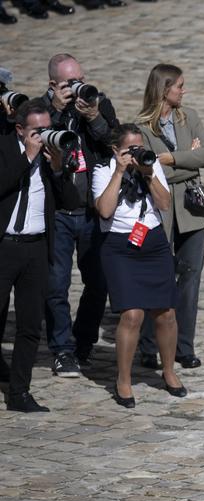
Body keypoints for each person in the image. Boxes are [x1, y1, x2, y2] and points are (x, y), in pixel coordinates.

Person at [93, 123, 184, 408]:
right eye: (130, 149)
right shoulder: (103, 169)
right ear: (115, 150)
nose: (136, 153)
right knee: (132, 314)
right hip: (119, 247)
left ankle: (168, 371)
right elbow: (105, 210)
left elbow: (165, 203)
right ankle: (123, 379)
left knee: (166, 312)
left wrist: (148, 175)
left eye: (139, 147)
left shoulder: (150, 164)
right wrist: (120, 172)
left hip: (153, 242)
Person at [136, 63, 204, 371]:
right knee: (157, 277)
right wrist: (187, 161)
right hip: (161, 208)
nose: (184, 91)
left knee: (190, 279)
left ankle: (184, 346)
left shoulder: (189, 117)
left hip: (192, 207)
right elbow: (149, 170)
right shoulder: (142, 127)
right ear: (163, 89)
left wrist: (171, 159)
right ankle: (148, 345)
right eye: (179, 86)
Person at [1, 98, 80, 411]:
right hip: (4, 246)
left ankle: (19, 392)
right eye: (37, 131)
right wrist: (27, 158)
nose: (44, 136)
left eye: (48, 129)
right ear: (20, 130)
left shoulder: (51, 158)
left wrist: (59, 170)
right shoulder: (5, 149)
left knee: (31, 326)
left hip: (35, 249)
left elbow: (71, 202)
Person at [43, 53, 119, 378]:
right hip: (57, 210)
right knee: (56, 286)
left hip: (90, 210)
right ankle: (62, 351)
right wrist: (57, 112)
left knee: (98, 283)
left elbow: (113, 142)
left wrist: (93, 117)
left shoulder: (98, 104)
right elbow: (33, 143)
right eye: (69, 83)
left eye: (80, 80)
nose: (77, 88)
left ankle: (83, 344)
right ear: (52, 85)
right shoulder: (39, 110)